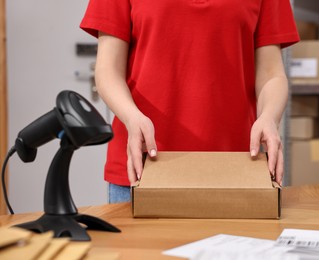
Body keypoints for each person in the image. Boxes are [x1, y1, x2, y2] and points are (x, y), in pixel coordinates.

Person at [80, 0, 300, 203]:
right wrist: (131, 117)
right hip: (142, 170)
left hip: (236, 171)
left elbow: (271, 73)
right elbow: (108, 70)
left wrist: (269, 117)